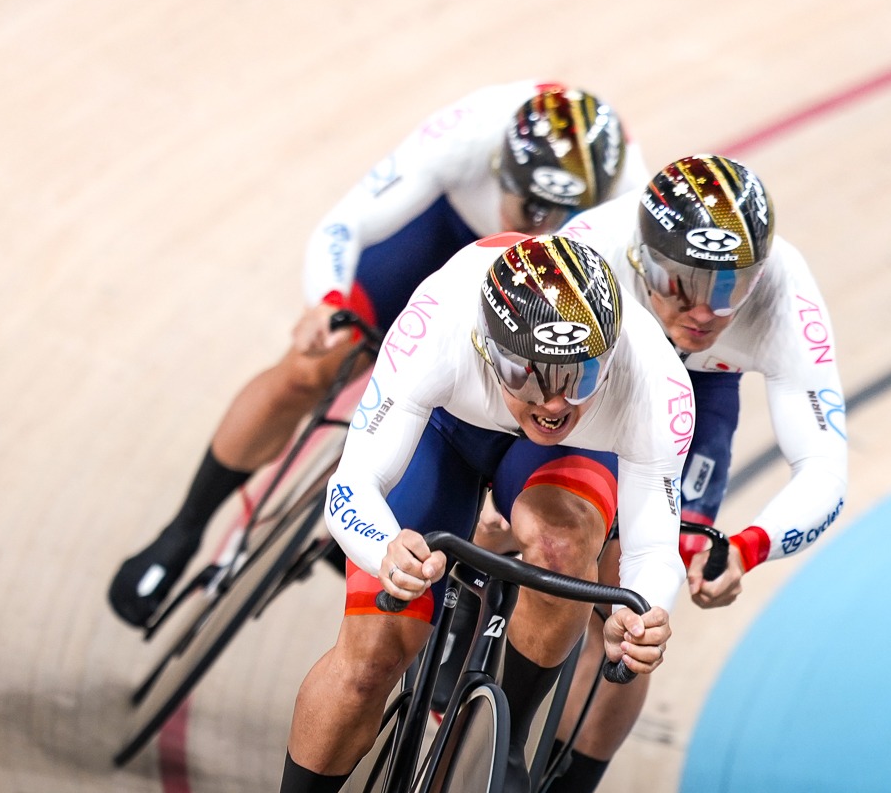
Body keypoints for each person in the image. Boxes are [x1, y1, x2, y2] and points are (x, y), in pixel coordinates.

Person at [217, 234, 691, 793]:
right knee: (374, 655)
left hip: (559, 466)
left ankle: (496, 738)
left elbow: (648, 545)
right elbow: (354, 484)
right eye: (528, 377)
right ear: (486, 344)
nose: (554, 401)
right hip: (445, 430)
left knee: (567, 547)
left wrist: (645, 610)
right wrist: (385, 545)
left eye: (580, 378)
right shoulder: (440, 319)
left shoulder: (652, 381)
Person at [108, 83, 642, 626]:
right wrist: (328, 303)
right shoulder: (466, 135)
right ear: (499, 169)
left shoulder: (625, 201)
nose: (539, 225)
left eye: (560, 214)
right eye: (530, 206)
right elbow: (345, 225)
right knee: (310, 368)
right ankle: (184, 528)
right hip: (440, 239)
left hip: (532, 296)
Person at [485, 154, 849, 793]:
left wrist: (749, 545)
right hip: (589, 383)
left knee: (635, 607)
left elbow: (825, 466)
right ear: (644, 256)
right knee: (529, 530)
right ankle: (481, 692)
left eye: (731, 287)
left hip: (697, 399)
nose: (709, 310)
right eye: (684, 281)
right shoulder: (599, 245)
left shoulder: (784, 289)